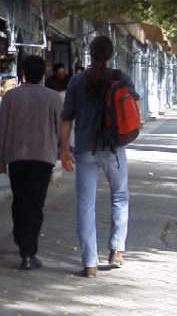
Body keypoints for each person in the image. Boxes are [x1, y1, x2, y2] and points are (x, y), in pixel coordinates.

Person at [60, 35, 140, 278]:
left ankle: (90, 264)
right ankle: (117, 250)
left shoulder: (76, 81)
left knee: (85, 205)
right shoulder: (119, 78)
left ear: (90, 53)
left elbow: (66, 119)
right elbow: (134, 107)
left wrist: (64, 149)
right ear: (111, 55)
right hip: (114, 149)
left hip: (84, 150)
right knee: (120, 196)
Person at [0, 55, 63, 271]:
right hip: (43, 158)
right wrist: (62, 153)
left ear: (23, 73)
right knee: (36, 204)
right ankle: (28, 252)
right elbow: (60, 129)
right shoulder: (53, 98)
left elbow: (2, 129)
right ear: (43, 74)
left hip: (17, 157)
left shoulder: (10, 97)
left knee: (20, 200)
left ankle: (22, 240)